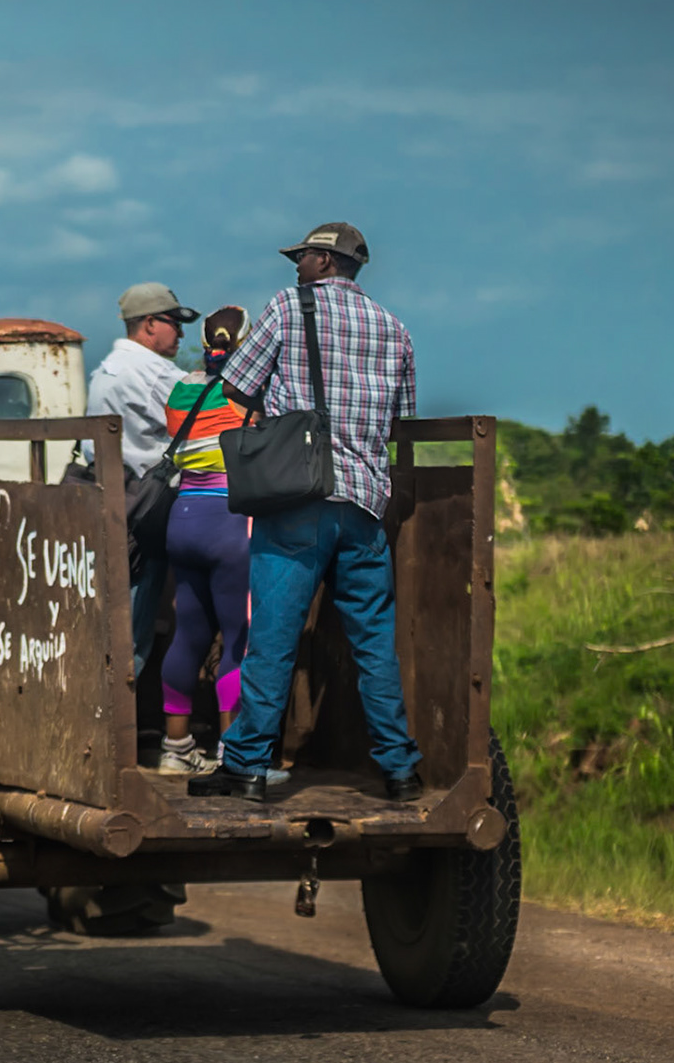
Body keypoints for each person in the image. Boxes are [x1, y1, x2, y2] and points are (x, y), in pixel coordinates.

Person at [190, 222, 424, 803]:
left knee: (273, 637)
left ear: (323, 261)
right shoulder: (395, 329)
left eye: (302, 257)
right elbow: (401, 423)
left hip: (297, 501)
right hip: (365, 506)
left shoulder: (288, 308)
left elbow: (237, 390)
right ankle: (399, 769)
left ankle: (245, 766)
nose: (295, 266)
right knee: (373, 643)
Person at [84, 282, 199, 673]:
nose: (180, 334)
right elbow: (206, 418)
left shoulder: (109, 368)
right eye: (174, 323)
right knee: (133, 629)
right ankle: (123, 726)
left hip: (110, 496)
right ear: (150, 324)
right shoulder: (152, 372)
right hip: (143, 507)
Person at [155, 306, 251, 774]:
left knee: (188, 634)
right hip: (230, 521)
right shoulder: (246, 396)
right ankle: (233, 753)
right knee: (238, 638)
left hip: (183, 518)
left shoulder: (182, 389)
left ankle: (175, 750)